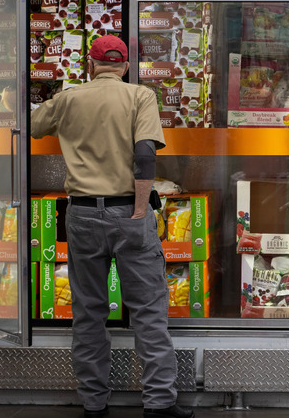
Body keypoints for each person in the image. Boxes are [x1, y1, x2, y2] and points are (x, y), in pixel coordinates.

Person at [31, 35, 194, 418]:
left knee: (88, 312)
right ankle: (158, 403)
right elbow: (144, 155)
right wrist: (140, 210)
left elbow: (34, 126)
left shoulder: (70, 98)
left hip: (82, 215)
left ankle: (93, 403)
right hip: (128, 214)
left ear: (91, 64)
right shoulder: (140, 96)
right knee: (149, 311)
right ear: (124, 66)